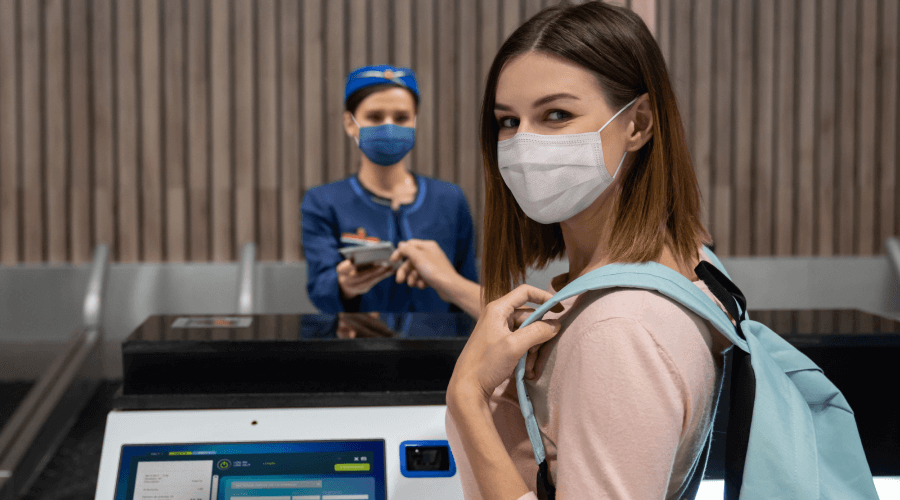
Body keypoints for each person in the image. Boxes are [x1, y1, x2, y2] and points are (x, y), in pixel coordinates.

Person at [444, 2, 733, 499]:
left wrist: (466, 398)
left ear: (638, 123)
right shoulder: (688, 262)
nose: (523, 144)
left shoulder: (618, 328)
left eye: (556, 114)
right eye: (508, 122)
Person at [301, 65, 480, 317]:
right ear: (350, 123)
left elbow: (468, 282)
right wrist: (343, 285)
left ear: (415, 120)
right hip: (359, 348)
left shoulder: (449, 199)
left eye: (401, 118)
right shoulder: (324, 201)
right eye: (374, 117)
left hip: (441, 347)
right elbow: (320, 291)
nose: (389, 126)